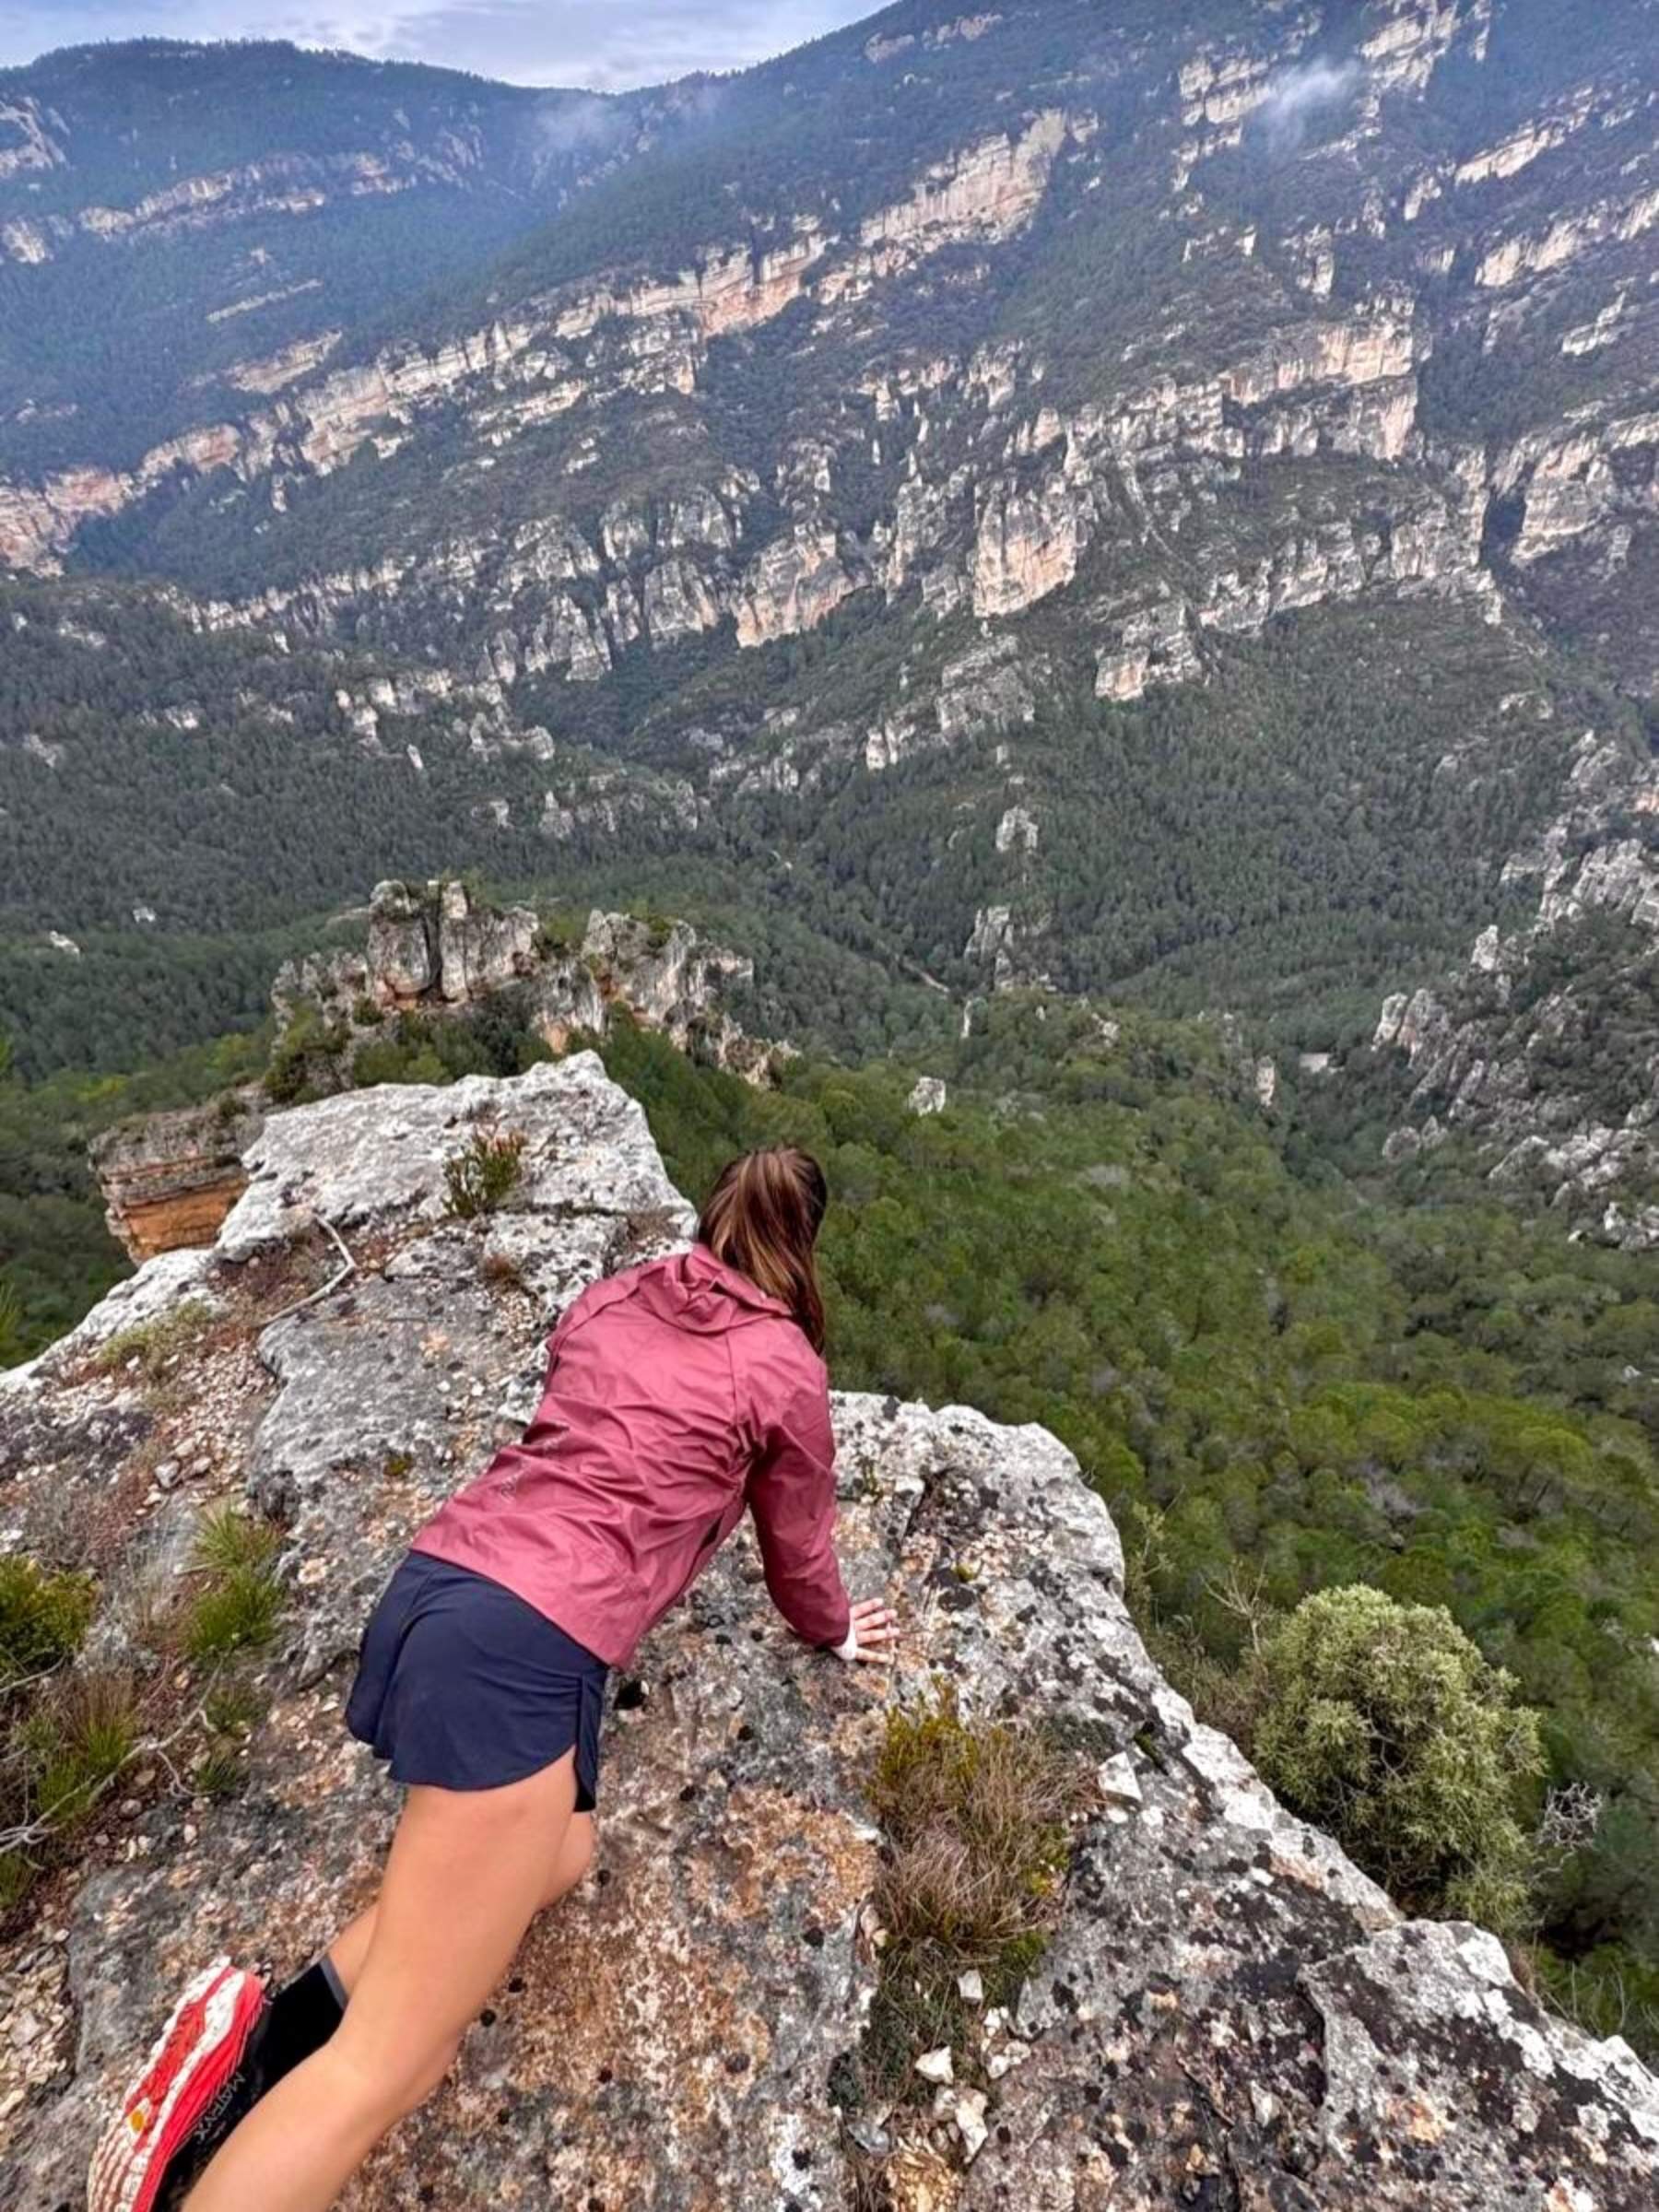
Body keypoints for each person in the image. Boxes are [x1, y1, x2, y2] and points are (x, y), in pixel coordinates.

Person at [91, 1146, 898, 2212]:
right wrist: (832, 1629)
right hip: (526, 1651)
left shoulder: (615, 1296)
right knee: (388, 2072)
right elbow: (797, 1538)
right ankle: (242, 2125)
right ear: (805, 1243)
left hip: (444, 1583)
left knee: (560, 1851)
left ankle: (251, 2050)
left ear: (713, 1213)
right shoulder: (782, 1363)